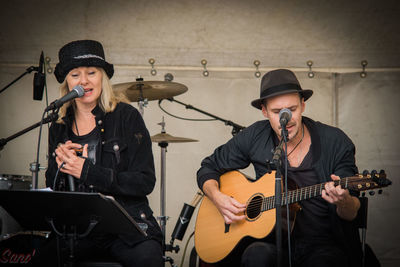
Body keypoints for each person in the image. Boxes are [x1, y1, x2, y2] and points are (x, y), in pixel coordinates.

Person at [196, 69, 363, 267]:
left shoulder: (335, 142)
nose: (287, 119)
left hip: (323, 245)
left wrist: (343, 201)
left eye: (292, 109)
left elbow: (352, 211)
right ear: (264, 111)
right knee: (256, 256)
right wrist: (217, 197)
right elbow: (209, 167)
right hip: (272, 242)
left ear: (303, 105)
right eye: (277, 113)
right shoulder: (256, 136)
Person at [42, 40, 163, 266]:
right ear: (67, 82)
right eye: (75, 75)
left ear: (102, 78)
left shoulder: (127, 116)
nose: (84, 81)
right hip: (77, 230)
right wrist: (59, 168)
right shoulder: (58, 126)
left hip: (125, 230)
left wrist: (88, 172)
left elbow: (144, 182)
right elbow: (52, 187)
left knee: (148, 258)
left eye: (91, 73)